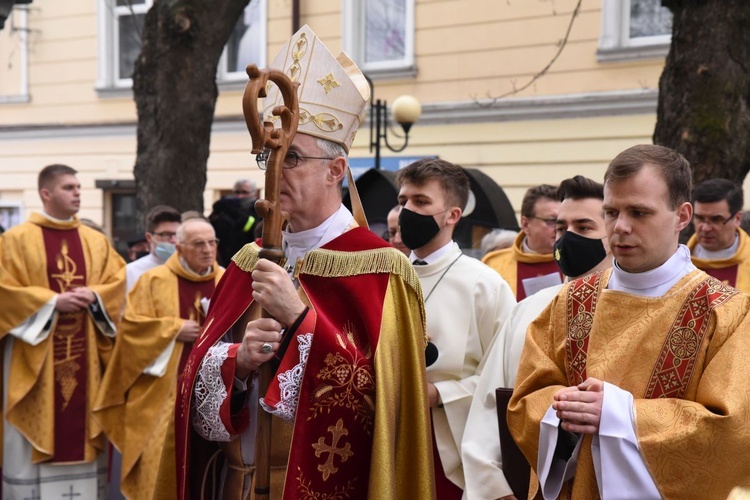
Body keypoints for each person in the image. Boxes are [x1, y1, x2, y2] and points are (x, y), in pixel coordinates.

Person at [155, 25, 434, 500]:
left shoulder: (382, 269)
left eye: (292, 157)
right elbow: (192, 378)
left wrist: (300, 320)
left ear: (335, 169)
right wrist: (237, 363)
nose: (275, 170)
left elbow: (387, 408)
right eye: (269, 155)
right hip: (238, 484)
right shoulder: (247, 262)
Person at [507, 145, 750, 498]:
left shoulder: (725, 312)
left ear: (682, 216)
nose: (620, 227)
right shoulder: (572, 300)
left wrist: (618, 414)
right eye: (611, 211)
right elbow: (526, 399)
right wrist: (564, 414)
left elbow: (731, 432)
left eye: (639, 212)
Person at [462, 176, 612, 499]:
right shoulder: (528, 311)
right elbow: (489, 405)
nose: (567, 237)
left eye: (584, 228)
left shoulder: (631, 312)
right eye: (561, 228)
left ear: (613, 234)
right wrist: (495, 488)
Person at [0, 164, 126, 498]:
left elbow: (118, 284)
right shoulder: (14, 241)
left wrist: (95, 297)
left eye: (78, 187)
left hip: (87, 363)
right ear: (46, 193)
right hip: (34, 363)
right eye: (69, 187)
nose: (78, 192)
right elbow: (3, 291)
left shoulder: (95, 242)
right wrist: (49, 303)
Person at [396, 159, 515, 498]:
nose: (407, 210)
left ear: (452, 215)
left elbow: (506, 378)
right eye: (403, 200)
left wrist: (440, 395)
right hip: (386, 432)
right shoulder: (386, 277)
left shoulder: (485, 285)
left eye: (421, 202)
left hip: (447, 444)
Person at [93, 218, 223, 499]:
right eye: (199, 243)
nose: (207, 250)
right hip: (162, 394)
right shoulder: (153, 281)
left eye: (212, 242)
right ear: (179, 246)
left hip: (213, 395)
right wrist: (172, 329)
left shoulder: (225, 280)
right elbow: (130, 330)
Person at [483, 184, 562, 299]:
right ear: (525, 224)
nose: (559, 227)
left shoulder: (578, 262)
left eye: (562, 221)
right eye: (551, 220)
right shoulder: (495, 264)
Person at [687, 178, 750, 291]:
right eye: (699, 218)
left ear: (737, 218)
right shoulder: (675, 262)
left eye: (716, 219)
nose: (705, 228)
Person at [125, 205, 182, 291]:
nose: (174, 240)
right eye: (166, 234)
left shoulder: (191, 269)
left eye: (177, 234)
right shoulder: (131, 272)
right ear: (149, 237)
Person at [209, 178, 260, 267]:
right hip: (223, 259)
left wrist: (232, 211)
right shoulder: (225, 208)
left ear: (254, 193)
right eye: (237, 192)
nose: (240, 196)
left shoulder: (258, 210)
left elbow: (250, 226)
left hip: (246, 260)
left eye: (244, 192)